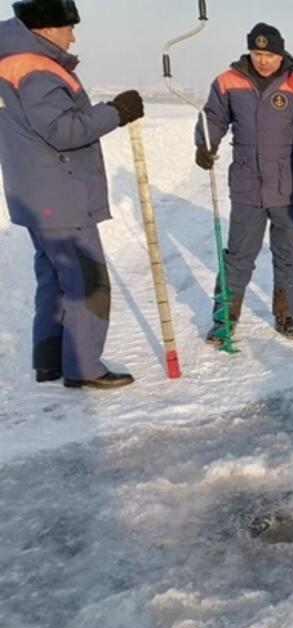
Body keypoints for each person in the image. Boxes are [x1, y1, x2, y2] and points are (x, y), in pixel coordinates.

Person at [0, 0, 144, 389]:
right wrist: (116, 112)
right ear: (47, 28)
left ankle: (50, 360)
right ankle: (83, 367)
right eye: (68, 28)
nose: (73, 36)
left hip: (34, 192)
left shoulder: (10, 57)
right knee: (87, 281)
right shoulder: (35, 67)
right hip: (60, 194)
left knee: (55, 278)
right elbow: (64, 130)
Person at [195, 23, 293, 345]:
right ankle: (224, 320)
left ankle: (285, 315)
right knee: (237, 255)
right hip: (247, 185)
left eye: (270, 54)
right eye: (258, 53)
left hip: (290, 187)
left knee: (288, 255)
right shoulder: (227, 81)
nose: (263, 60)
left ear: (281, 53)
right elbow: (214, 118)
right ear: (250, 51)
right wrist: (205, 144)